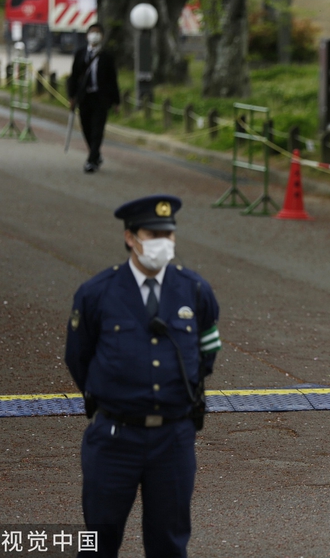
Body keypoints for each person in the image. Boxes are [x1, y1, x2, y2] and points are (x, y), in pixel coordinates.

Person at [65, 195, 221, 557]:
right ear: (130, 237)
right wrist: (110, 395)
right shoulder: (96, 293)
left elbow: (208, 349)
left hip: (174, 438)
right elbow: (78, 357)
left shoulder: (195, 290)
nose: (162, 243)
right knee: (98, 542)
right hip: (114, 437)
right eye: (153, 234)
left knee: (169, 541)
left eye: (168, 235)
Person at [67, 23, 120, 173]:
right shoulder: (81, 53)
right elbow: (74, 76)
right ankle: (95, 154)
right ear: (87, 35)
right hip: (84, 97)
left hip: (101, 98)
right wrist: (72, 96)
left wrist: (116, 101)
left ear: (102, 36)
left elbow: (112, 79)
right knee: (86, 127)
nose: (94, 35)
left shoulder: (107, 56)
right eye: (92, 32)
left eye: (97, 32)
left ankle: (91, 161)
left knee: (98, 129)